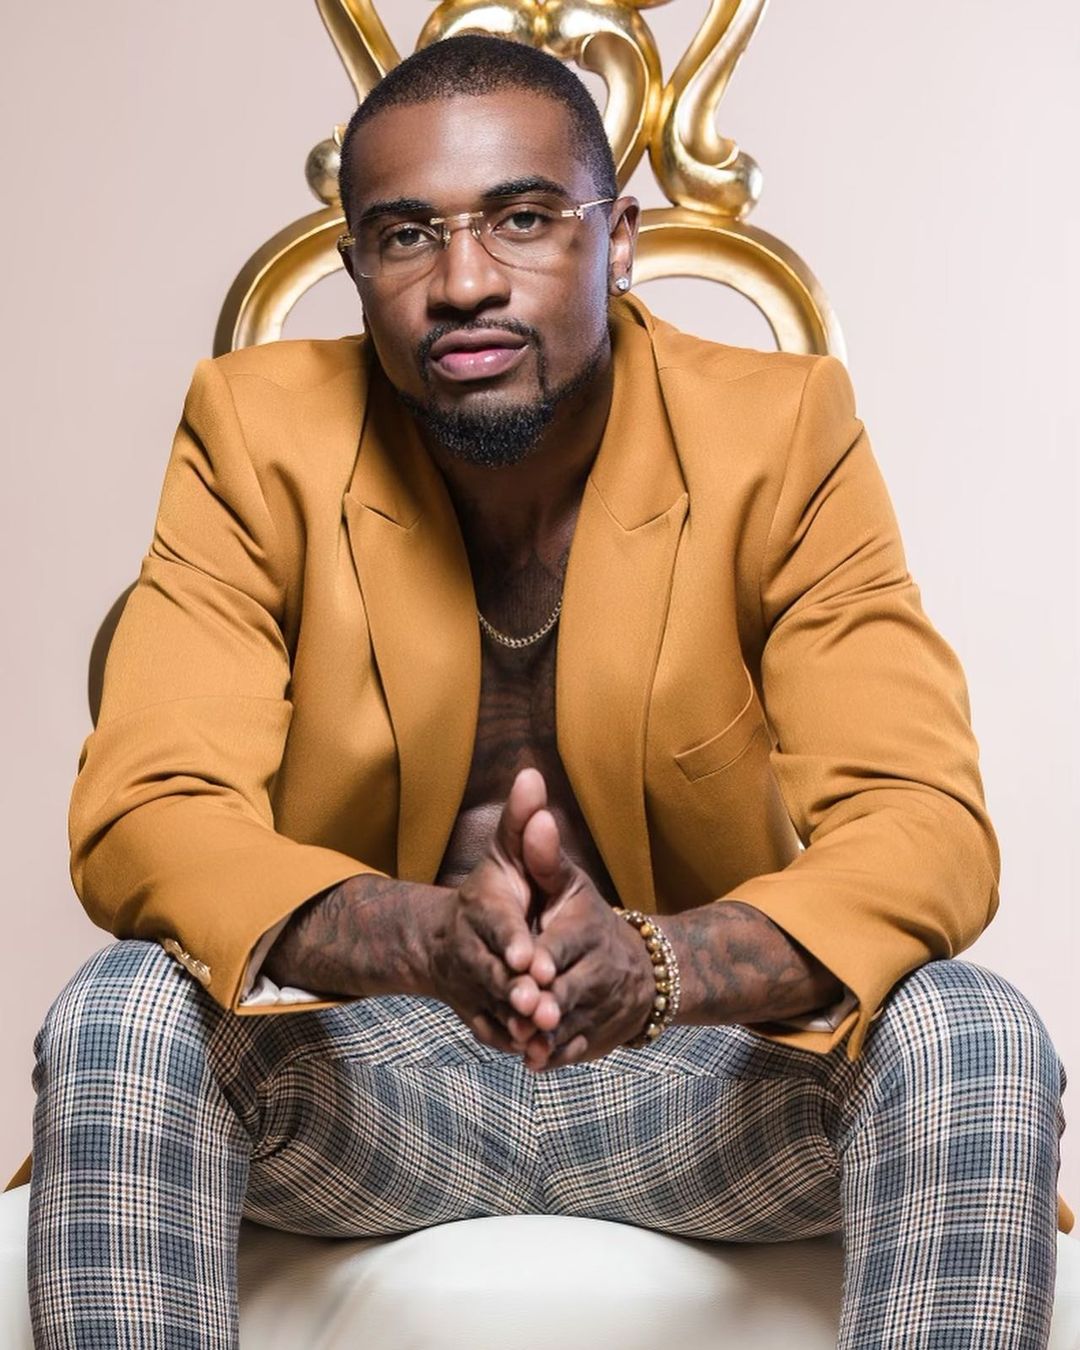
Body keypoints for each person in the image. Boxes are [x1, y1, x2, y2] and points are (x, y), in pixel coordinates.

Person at [27, 34, 1065, 1350]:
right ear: (356, 268)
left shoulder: (781, 428)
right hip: (379, 1085)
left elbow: (925, 825)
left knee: (975, 1031)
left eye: (522, 220)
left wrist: (656, 963)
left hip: (696, 1083)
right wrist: (418, 937)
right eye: (406, 236)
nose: (464, 282)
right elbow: (148, 811)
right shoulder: (255, 430)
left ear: (617, 240)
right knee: (120, 1010)